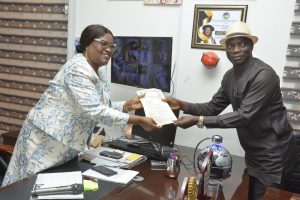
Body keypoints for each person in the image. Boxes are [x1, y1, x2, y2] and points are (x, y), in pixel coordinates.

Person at [1, 24, 159, 187]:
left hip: (66, 144)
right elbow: (96, 111)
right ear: (86, 44)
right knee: (22, 188)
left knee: (51, 190)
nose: (109, 49)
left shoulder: (99, 69)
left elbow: (100, 105)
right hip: (43, 141)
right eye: (103, 44)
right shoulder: (78, 69)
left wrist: (126, 105)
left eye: (112, 45)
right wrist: (138, 120)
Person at [164, 21, 296, 199]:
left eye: (242, 44)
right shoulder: (229, 76)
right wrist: (181, 104)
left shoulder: (264, 75)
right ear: (225, 49)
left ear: (251, 45)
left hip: (274, 158)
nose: (236, 49)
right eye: (231, 45)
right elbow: (212, 107)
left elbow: (244, 116)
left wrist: (198, 121)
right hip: (252, 156)